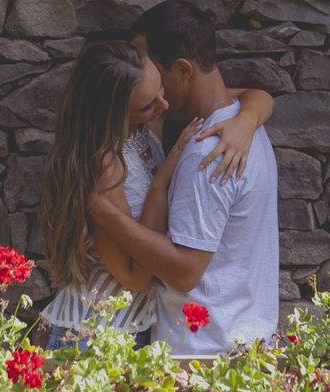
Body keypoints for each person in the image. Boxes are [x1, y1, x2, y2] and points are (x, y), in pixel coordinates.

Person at [39, 39, 274, 349]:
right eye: (147, 106)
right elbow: (135, 278)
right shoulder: (104, 163)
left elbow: (257, 96)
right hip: (96, 332)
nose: (164, 105)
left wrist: (246, 122)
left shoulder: (148, 122)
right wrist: (159, 184)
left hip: (134, 328)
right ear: (113, 112)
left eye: (161, 88)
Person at [89, 1, 279, 353]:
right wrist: (250, 117)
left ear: (182, 69)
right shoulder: (240, 122)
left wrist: (101, 210)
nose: (144, 81)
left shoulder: (210, 151)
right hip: (241, 337)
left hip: (201, 352)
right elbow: (256, 97)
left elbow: (184, 272)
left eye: (152, 71)